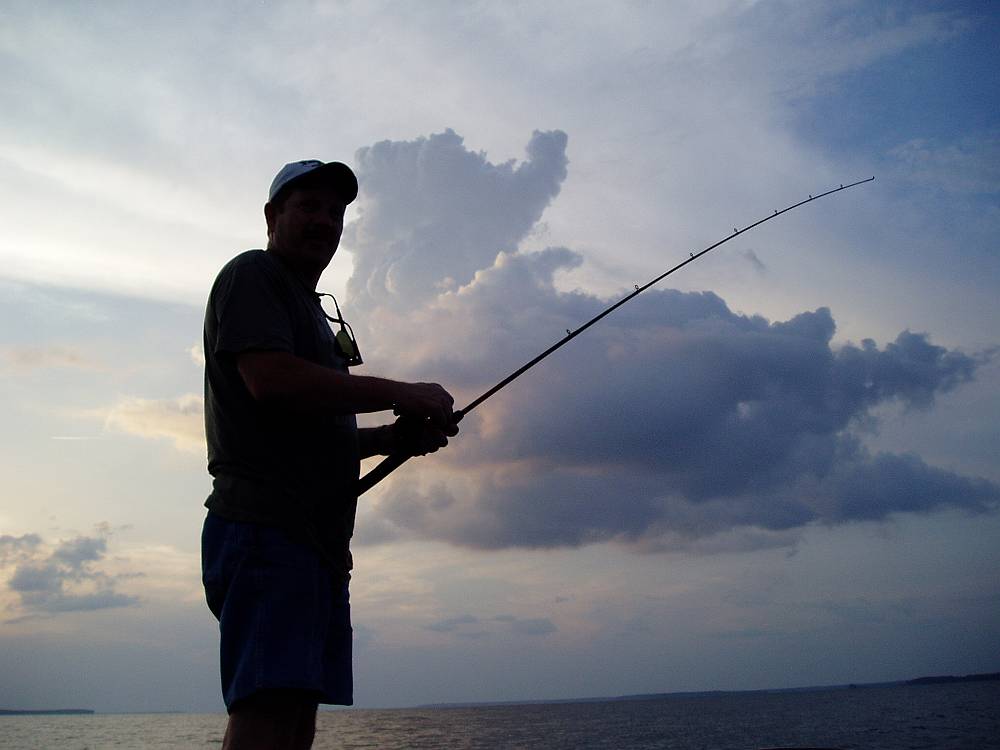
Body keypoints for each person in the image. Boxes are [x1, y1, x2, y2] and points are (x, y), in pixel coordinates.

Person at [201, 160, 458, 749]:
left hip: (312, 543)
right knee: (267, 708)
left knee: (296, 712)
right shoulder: (251, 276)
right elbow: (272, 380)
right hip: (265, 531)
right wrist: (401, 391)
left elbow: (314, 433)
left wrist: (392, 440)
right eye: (308, 206)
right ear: (272, 217)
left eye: (335, 211)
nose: (324, 220)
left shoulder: (313, 309)